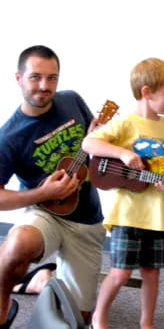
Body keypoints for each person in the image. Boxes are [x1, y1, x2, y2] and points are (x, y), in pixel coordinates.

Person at [0, 45, 106, 328]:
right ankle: (1, 303)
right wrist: (42, 194)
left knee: (77, 318)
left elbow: (91, 147)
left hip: (86, 218)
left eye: (52, 78)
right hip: (45, 213)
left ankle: (39, 280)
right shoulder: (9, 136)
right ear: (18, 78)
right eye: (35, 77)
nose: (44, 86)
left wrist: (102, 140)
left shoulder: (71, 101)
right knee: (16, 245)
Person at [82, 57, 164, 329]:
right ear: (147, 92)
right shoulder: (127, 123)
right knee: (121, 273)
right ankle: (99, 315)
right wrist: (123, 153)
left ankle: (146, 323)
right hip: (127, 213)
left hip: (157, 213)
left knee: (152, 273)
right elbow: (89, 143)